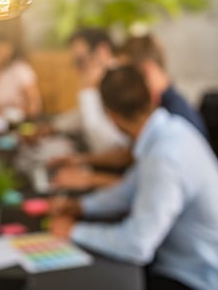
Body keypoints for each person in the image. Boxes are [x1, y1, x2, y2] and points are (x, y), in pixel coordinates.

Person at [49, 65, 218, 290]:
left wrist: (73, 231)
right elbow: (130, 189)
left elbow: (137, 245)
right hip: (203, 262)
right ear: (151, 96)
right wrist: (83, 206)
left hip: (202, 278)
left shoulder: (165, 158)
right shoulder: (169, 131)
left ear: (111, 117)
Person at [50, 31, 208, 190]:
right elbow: (130, 155)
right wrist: (82, 160)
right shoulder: (162, 111)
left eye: (129, 76)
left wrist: (90, 179)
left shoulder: (175, 120)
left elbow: (150, 184)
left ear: (147, 71)